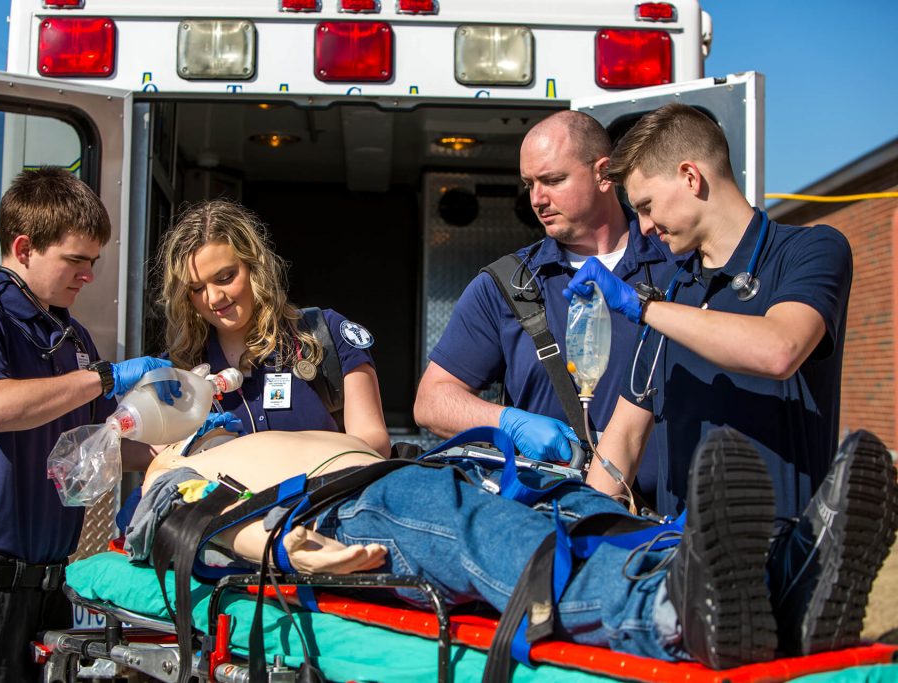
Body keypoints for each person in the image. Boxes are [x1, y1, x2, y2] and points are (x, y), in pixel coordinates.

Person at [135, 425, 898, 668]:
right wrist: (279, 544)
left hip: (423, 464)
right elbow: (173, 525)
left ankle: (779, 581)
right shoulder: (177, 461)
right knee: (473, 528)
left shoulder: (242, 426)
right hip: (355, 510)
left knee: (572, 507)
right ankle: (661, 608)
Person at [564, 104, 878, 653]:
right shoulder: (670, 292)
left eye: (645, 206)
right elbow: (625, 437)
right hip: (685, 571)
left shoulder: (809, 250)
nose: (643, 228)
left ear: (690, 176)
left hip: (786, 569)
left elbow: (779, 348)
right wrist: (577, 534)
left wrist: (640, 307)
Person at [0, 168, 175, 683]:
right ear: (24, 247)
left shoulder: (72, 336)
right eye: (75, 260)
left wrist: (185, 454)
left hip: (50, 589)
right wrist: (103, 378)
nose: (88, 275)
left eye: (93, 262)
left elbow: (104, 444)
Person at [414, 110, 676, 498]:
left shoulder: (678, 265)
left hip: (672, 523)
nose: (537, 199)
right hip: (552, 520)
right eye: (529, 184)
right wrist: (510, 422)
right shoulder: (507, 284)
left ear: (604, 174)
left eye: (553, 180)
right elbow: (432, 401)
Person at [156, 200, 390, 456]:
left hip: (320, 493)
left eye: (225, 278)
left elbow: (374, 443)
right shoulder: (180, 368)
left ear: (255, 267)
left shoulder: (325, 333)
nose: (213, 298)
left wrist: (286, 460)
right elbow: (150, 452)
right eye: (197, 289)